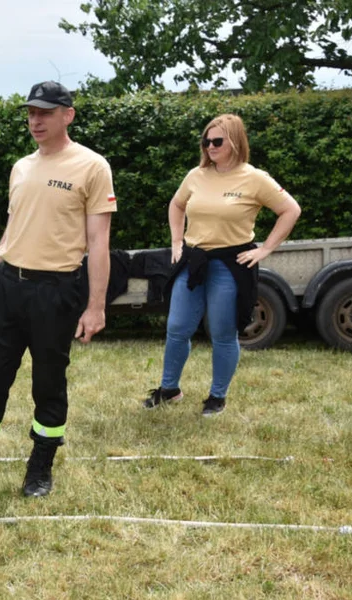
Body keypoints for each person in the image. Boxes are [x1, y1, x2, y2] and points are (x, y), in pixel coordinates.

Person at [0, 81, 116, 498]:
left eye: (45, 113)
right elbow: (16, 223)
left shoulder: (91, 166)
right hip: (6, 286)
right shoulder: (21, 166)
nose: (36, 120)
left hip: (55, 290)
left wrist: (96, 306)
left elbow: (99, 242)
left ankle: (39, 468)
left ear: (67, 115)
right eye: (31, 113)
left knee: (48, 381)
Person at [144, 113, 301, 415]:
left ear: (235, 142)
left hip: (230, 265)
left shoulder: (254, 178)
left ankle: (217, 397)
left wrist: (265, 249)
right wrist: (177, 242)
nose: (210, 146)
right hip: (193, 260)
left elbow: (290, 210)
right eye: (206, 141)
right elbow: (177, 205)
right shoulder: (196, 176)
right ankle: (169, 389)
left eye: (217, 141)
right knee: (177, 328)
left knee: (222, 332)